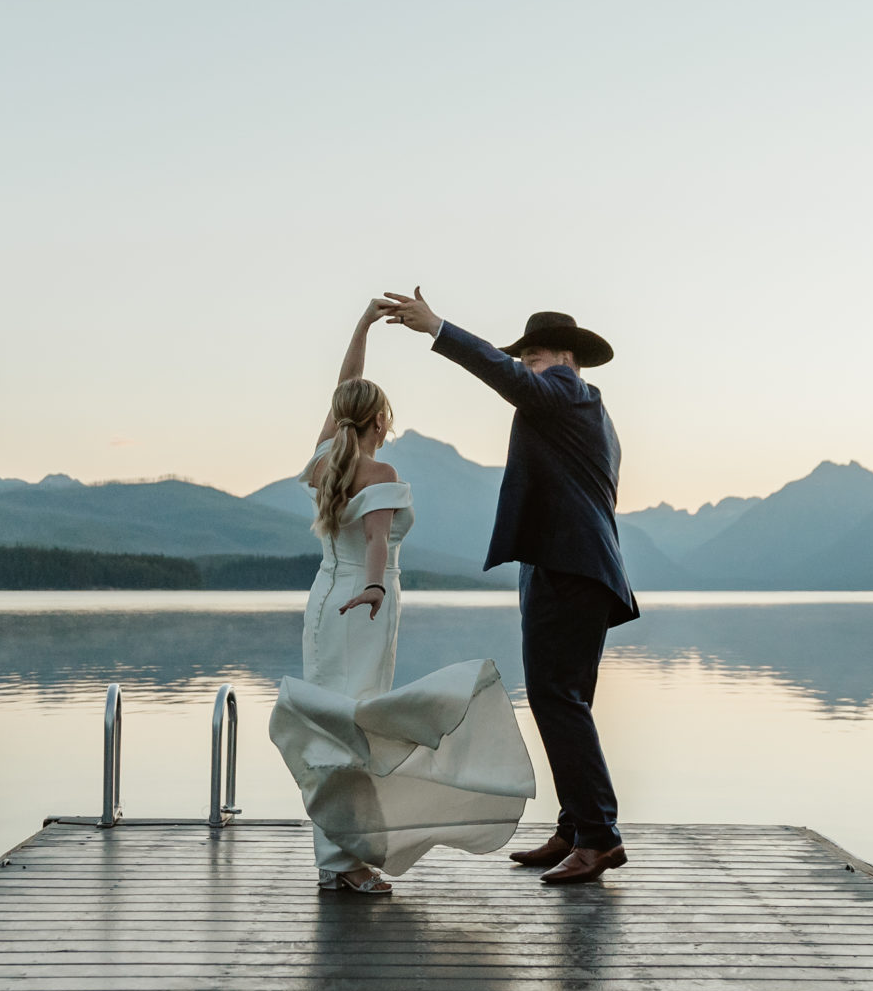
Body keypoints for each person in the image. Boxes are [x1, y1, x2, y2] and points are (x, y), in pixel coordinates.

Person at [267, 302, 535, 895]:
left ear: (339, 421)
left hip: (322, 605)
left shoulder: (323, 465)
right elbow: (378, 545)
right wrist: (370, 589)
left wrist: (361, 326)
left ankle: (335, 860)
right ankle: (349, 859)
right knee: (360, 726)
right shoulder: (380, 472)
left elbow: (344, 389)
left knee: (331, 724)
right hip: (364, 606)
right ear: (379, 421)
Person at [378, 288, 636, 885]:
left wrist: (437, 327)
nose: (526, 365)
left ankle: (598, 837)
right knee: (566, 701)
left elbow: (513, 383)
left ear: (567, 358)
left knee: (556, 700)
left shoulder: (567, 391)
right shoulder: (586, 409)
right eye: (524, 356)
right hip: (577, 569)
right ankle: (575, 827)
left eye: (536, 354)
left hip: (568, 569)